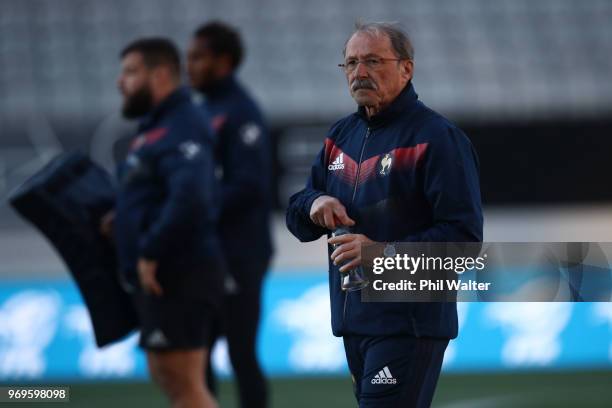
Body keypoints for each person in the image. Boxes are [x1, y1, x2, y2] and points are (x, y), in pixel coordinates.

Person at [286, 22, 483, 407]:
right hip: (354, 323)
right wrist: (314, 205)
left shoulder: (438, 138)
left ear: (406, 69)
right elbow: (298, 215)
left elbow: (463, 242)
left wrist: (379, 256)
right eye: (352, 63)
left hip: (408, 323)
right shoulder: (339, 137)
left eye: (374, 61)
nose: (360, 72)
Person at [115, 37, 224, 408]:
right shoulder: (155, 126)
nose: (120, 82)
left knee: (184, 385)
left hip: (178, 271)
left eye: (130, 72)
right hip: (166, 274)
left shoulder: (182, 123)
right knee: (171, 379)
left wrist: (150, 249)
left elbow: (192, 197)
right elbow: (160, 193)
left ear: (160, 74)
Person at [186, 22, 272, 408]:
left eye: (198, 57)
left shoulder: (241, 112)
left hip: (239, 252)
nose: (189, 65)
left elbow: (250, 185)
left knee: (240, 354)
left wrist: (193, 210)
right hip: (203, 253)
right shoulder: (202, 110)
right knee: (196, 355)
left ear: (223, 62)